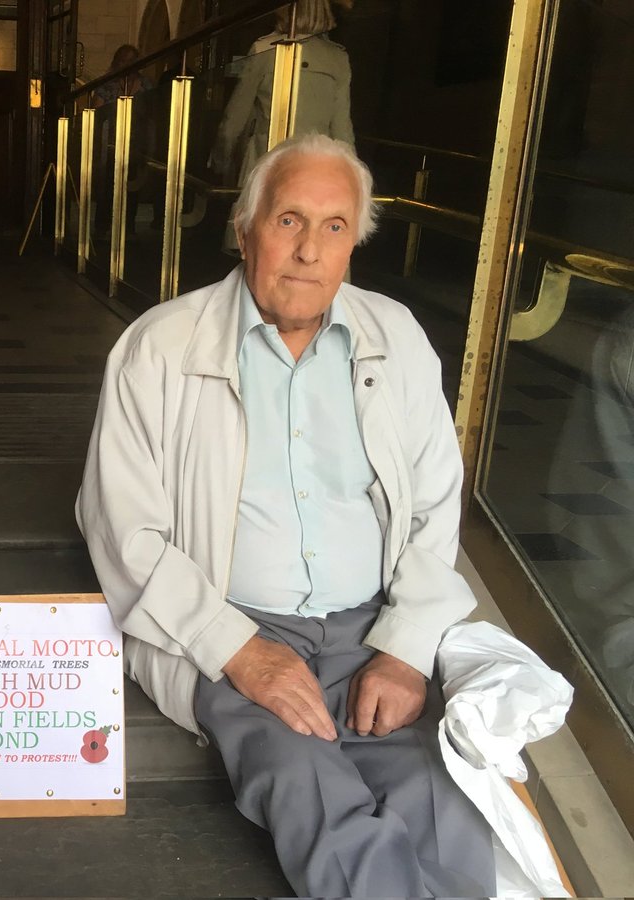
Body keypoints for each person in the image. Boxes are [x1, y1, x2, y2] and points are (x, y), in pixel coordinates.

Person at [76, 133, 496, 897]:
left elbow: (437, 500)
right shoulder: (160, 347)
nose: (309, 250)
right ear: (245, 231)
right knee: (311, 794)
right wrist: (239, 650)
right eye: (288, 221)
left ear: (353, 246)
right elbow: (119, 526)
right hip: (233, 630)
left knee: (443, 802)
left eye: (334, 227)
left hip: (370, 627)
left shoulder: (395, 338)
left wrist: (405, 648)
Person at [210, 0, 354, 249]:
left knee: (262, 244)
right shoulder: (336, 58)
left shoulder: (264, 49)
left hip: (267, 160)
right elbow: (342, 129)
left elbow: (234, 117)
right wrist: (350, 181)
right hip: (316, 166)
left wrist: (220, 159)